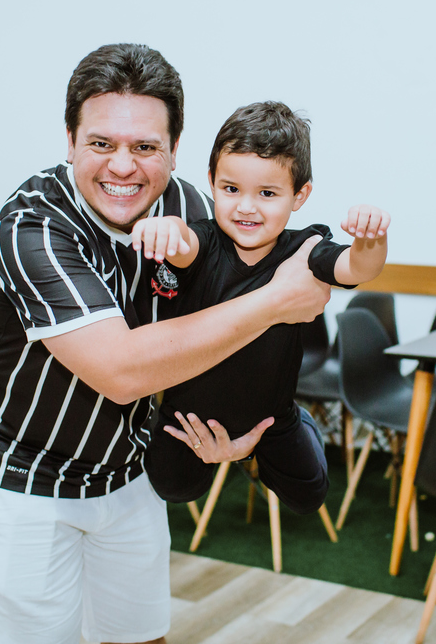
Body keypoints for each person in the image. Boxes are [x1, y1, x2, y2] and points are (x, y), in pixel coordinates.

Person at [0, 45, 332, 644]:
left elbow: (224, 337)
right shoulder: (33, 224)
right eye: (101, 144)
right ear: (71, 141)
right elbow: (121, 371)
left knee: (141, 638)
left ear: (176, 150)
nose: (123, 167)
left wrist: (231, 431)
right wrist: (276, 300)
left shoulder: (195, 210)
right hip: (24, 476)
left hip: (129, 470)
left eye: (146, 147)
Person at [132, 101, 391, 514]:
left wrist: (370, 239)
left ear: (299, 196)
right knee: (171, 487)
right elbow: (182, 244)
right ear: (212, 182)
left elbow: (355, 267)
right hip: (187, 418)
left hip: (272, 418)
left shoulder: (302, 252)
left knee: (308, 496)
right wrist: (165, 228)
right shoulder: (206, 239)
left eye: (267, 193)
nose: (246, 207)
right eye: (231, 189)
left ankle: (299, 426)